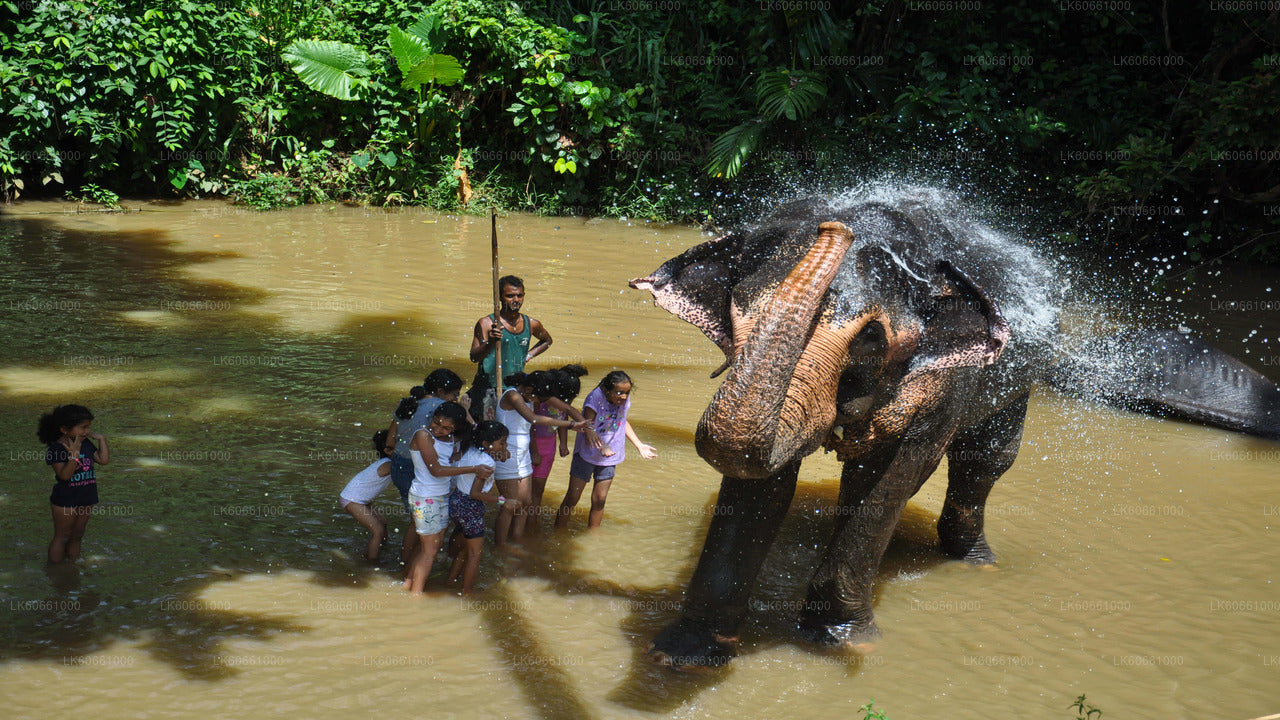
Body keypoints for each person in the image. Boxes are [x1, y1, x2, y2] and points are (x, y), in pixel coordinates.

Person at [403, 401, 492, 595]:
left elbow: (477, 433)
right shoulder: (423, 435)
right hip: (425, 497)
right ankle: (415, 598)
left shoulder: (451, 437)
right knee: (430, 551)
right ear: (432, 417)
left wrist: (467, 412)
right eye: (436, 423)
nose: (439, 429)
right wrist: (473, 469)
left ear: (455, 428)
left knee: (430, 547)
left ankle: (408, 584)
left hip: (441, 496)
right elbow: (436, 470)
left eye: (446, 427)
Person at [493, 372, 588, 546]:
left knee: (526, 503)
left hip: (523, 456)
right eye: (539, 399)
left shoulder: (528, 394)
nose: (540, 403)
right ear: (529, 390)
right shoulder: (513, 395)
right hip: (506, 454)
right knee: (510, 504)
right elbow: (534, 419)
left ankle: (518, 541)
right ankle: (501, 546)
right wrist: (571, 425)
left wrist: (586, 427)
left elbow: (566, 408)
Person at [555, 371, 656, 530]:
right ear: (606, 390)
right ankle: (558, 532)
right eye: (619, 393)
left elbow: (622, 421)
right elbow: (588, 427)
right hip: (586, 455)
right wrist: (601, 446)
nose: (623, 396)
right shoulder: (595, 398)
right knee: (573, 497)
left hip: (611, 455)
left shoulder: (622, 399)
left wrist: (639, 445)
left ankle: (594, 536)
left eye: (627, 393)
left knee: (600, 499)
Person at [387, 369, 468, 565]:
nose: (456, 398)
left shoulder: (407, 402)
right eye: (454, 394)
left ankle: (408, 563)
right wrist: (465, 411)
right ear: (441, 391)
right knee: (419, 524)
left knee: (415, 521)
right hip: (420, 469)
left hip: (398, 464)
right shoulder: (442, 409)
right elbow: (461, 433)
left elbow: (390, 442)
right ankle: (413, 565)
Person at [467, 275, 553, 415]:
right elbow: (474, 357)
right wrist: (490, 342)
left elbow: (547, 341)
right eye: (510, 296)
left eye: (519, 296)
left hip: (515, 389)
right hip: (488, 388)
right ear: (500, 297)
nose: (516, 300)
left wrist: (528, 355)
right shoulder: (487, 323)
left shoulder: (531, 324)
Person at [445, 420, 513, 594]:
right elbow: (475, 493)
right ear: (486, 443)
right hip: (471, 507)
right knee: (475, 554)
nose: (504, 446)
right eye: (502, 443)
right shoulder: (486, 463)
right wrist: (502, 501)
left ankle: (450, 582)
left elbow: (495, 454)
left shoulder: (470, 449)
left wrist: (501, 451)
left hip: (456, 503)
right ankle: (467, 593)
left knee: (466, 550)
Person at [38, 404, 110, 563]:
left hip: (86, 496)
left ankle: (72, 567)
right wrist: (74, 456)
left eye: (88, 427)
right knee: (62, 536)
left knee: (77, 535)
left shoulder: (86, 443)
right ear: (64, 429)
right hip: (66, 500)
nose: (86, 431)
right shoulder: (56, 449)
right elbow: (64, 475)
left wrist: (102, 439)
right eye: (83, 427)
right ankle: (56, 570)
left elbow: (103, 460)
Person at [528, 365, 591, 533]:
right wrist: (534, 450)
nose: (567, 401)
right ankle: (525, 527)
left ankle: (530, 527)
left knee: (538, 491)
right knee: (528, 491)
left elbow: (563, 419)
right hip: (534, 445)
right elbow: (530, 426)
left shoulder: (563, 400)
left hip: (549, 446)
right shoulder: (540, 397)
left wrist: (563, 443)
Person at [338, 429, 395, 562]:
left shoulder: (386, 462)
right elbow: (408, 468)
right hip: (352, 499)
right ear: (388, 450)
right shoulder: (389, 464)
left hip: (362, 499)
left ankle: (380, 547)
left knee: (383, 523)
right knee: (378, 530)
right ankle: (371, 563)